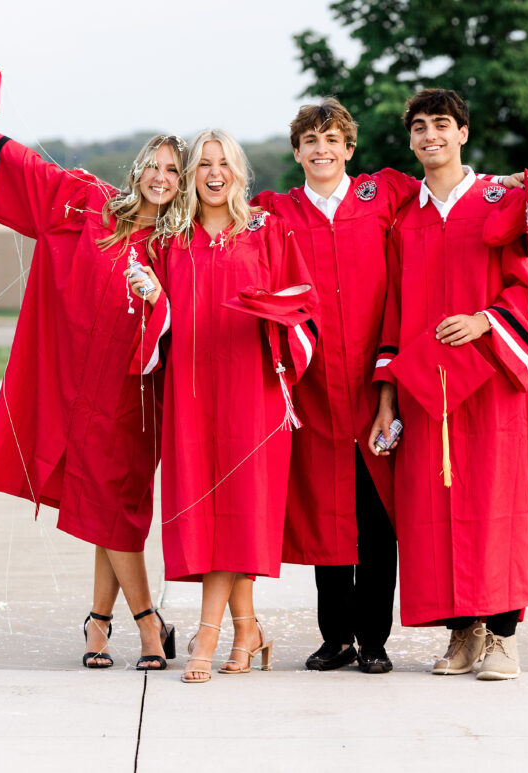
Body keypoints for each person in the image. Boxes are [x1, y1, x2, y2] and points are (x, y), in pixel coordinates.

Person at [252, 97, 525, 674]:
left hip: (392, 385)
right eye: (310, 141)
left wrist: (504, 187)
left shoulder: (385, 199)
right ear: (296, 152)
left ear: (352, 148)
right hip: (322, 388)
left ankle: (376, 638)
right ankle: (339, 637)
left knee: (380, 518)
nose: (322, 150)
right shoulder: (278, 213)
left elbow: (465, 198)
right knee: (329, 515)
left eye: (333, 140)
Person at [0, 107, 185, 670]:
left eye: (173, 171)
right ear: (136, 172)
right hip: (83, 391)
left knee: (118, 510)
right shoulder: (90, 208)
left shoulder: (179, 244)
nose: (161, 177)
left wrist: (159, 297)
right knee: (109, 507)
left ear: (181, 183)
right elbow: (31, 172)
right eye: (152, 166)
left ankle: (104, 623)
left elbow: (191, 316)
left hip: (137, 401)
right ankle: (144, 624)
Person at [370, 89, 528, 680]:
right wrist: (388, 398)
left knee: (496, 507)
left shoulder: (502, 200)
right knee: (434, 512)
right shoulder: (405, 219)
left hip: (491, 384)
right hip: (427, 390)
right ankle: (463, 634)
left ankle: (503, 637)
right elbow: (392, 313)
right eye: (420, 128)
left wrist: (484, 320)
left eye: (442, 125)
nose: (431, 137)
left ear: (464, 133)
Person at [127, 129, 319, 684]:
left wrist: (275, 317)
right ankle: (248, 628)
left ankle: (206, 637)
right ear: (191, 176)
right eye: (204, 164)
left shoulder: (267, 233)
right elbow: (157, 320)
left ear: (240, 171)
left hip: (252, 393)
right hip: (190, 396)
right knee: (207, 512)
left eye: (224, 163)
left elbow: (302, 308)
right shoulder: (171, 240)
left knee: (238, 510)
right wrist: (151, 297)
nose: (215, 173)